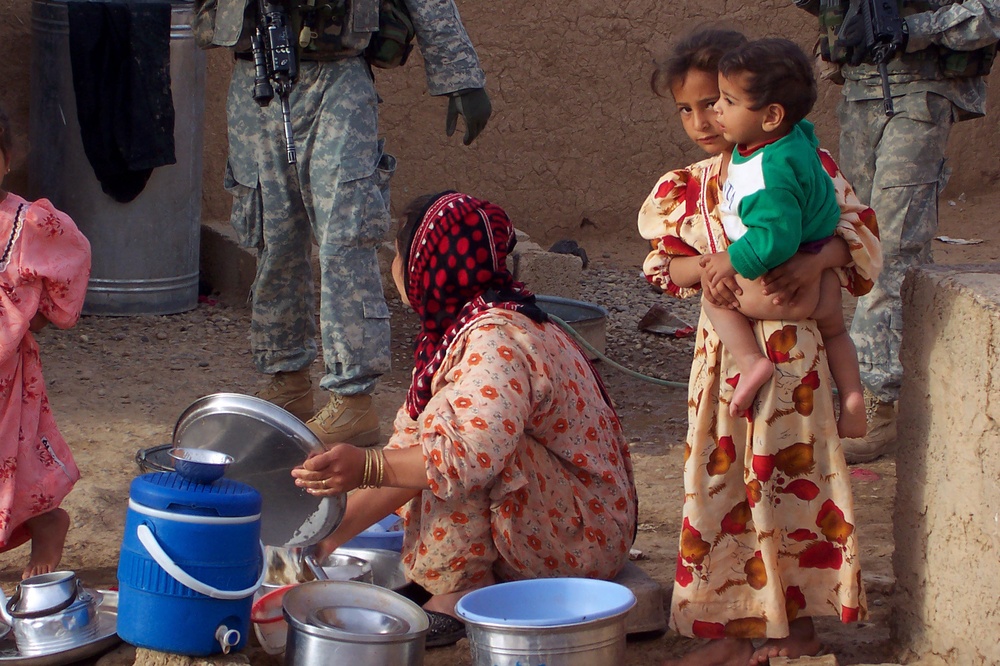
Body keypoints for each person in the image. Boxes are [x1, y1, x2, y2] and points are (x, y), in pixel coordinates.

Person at [291, 191, 638, 647]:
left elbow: (461, 458)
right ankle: (461, 577)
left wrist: (366, 465)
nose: (396, 267)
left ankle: (460, 592)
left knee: (456, 441)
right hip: (570, 519)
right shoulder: (464, 329)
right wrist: (321, 542)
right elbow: (406, 461)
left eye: (401, 253)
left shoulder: (496, 341)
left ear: (427, 264)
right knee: (434, 444)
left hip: (583, 541)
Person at [640, 28, 881, 665]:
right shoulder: (684, 188)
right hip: (725, 360)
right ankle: (744, 627)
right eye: (687, 109)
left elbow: (861, 239)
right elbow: (662, 268)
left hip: (794, 364)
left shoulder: (805, 161)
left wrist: (817, 260)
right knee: (726, 489)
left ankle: (796, 631)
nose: (703, 120)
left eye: (714, 102)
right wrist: (717, 269)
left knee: (790, 484)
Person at [191, 0, 492, 447]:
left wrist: (459, 75)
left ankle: (353, 401)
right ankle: (286, 379)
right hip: (255, 72)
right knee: (270, 235)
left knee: (346, 237)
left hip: (336, 80)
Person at [796, 0, 1000, 462]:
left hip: (923, 92)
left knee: (893, 243)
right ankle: (870, 385)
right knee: (856, 241)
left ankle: (878, 403)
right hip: (860, 89)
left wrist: (915, 28)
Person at [697, 38, 866, 437]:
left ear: (772, 115)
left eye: (728, 101)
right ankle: (855, 396)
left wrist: (730, 260)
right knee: (837, 332)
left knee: (713, 297)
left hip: (777, 284)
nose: (716, 109)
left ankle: (752, 360)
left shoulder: (765, 173)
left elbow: (776, 237)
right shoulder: (797, 138)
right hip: (819, 276)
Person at [0, 107, 92, 579]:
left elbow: (73, 255)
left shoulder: (27, 223)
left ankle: (47, 521)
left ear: (6, 158)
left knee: (13, 453)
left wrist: (41, 316)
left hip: (8, 377)